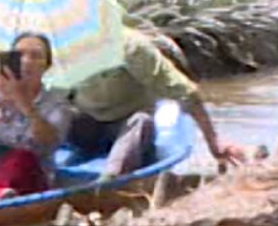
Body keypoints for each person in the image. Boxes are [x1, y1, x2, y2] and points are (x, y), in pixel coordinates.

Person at [63, 27, 250, 176]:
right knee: (56, 113)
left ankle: (110, 183)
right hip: (86, 124)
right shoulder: (63, 47)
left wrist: (214, 142)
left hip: (127, 125)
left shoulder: (132, 47)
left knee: (140, 121)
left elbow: (184, 91)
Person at [0, 30, 70, 205]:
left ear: (46, 66)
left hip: (29, 175)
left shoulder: (57, 103)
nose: (26, 61)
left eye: (36, 56)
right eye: (20, 55)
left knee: (19, 158)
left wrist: (24, 103)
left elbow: (48, 143)